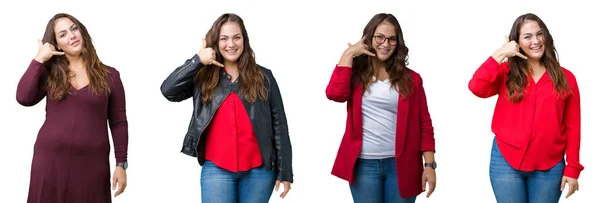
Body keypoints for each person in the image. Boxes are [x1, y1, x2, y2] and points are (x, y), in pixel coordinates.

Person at [160, 13, 293, 202]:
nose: (231, 44)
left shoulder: (264, 77)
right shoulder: (203, 76)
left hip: (260, 171)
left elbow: (279, 125)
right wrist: (196, 61)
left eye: (236, 37)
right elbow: (168, 91)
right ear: (216, 42)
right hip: (216, 169)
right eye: (224, 38)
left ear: (244, 40)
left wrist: (285, 171)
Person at [468, 13, 583, 203]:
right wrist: (501, 53)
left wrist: (573, 168)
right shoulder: (506, 71)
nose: (536, 41)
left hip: (550, 165)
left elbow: (573, 126)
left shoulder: (566, 78)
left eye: (539, 34)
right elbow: (476, 87)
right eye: (527, 37)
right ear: (517, 42)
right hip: (506, 162)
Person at [16, 13, 129, 203]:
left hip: (92, 167)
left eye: (74, 29)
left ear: (82, 31)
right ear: (57, 44)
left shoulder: (110, 76)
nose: (72, 36)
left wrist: (121, 164)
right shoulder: (49, 73)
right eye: (63, 34)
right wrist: (38, 59)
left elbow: (118, 123)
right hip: (50, 163)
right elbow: (23, 98)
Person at [325, 13, 437, 203]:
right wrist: (349, 53)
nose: (385, 44)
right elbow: (335, 94)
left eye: (392, 39)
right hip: (364, 165)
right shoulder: (355, 75)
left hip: (402, 165)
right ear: (369, 38)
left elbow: (424, 123)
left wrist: (430, 165)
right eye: (380, 37)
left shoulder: (412, 79)